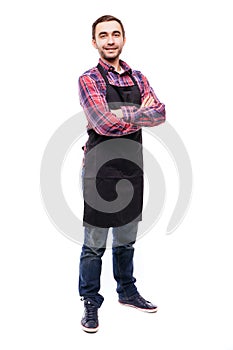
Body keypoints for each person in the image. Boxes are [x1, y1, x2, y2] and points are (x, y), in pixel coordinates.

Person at [78, 15, 166, 333]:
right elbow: (102, 123)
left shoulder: (139, 77)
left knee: (126, 240)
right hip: (99, 171)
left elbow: (160, 113)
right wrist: (139, 113)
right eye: (104, 35)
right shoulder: (88, 79)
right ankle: (90, 301)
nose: (110, 40)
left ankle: (127, 291)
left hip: (133, 168)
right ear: (95, 42)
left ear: (124, 39)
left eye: (116, 34)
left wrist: (122, 113)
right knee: (95, 243)